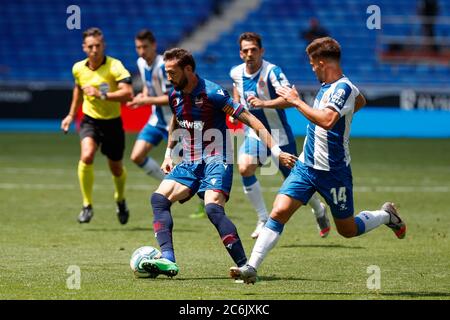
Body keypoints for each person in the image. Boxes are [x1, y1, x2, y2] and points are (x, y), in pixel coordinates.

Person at [230, 37, 406, 284]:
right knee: (279, 210)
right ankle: (251, 267)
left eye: (313, 64)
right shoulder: (328, 87)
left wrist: (296, 101)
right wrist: (343, 115)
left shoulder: (343, 88)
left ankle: (387, 215)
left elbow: (326, 120)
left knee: (347, 230)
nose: (312, 69)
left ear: (322, 63)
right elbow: (360, 101)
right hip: (306, 166)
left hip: (334, 172)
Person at [137, 48, 298, 278]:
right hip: (190, 161)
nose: (168, 78)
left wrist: (275, 150)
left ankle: (246, 267)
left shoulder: (213, 93)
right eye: (166, 73)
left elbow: (251, 119)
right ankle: (168, 259)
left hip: (216, 159)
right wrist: (168, 153)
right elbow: (175, 120)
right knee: (159, 199)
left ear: (188, 70)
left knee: (213, 209)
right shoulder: (174, 95)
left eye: (172, 73)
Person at [229, 32, 330, 239]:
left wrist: (264, 103)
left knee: (297, 182)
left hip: (279, 136)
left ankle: (318, 209)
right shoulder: (236, 72)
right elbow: (236, 89)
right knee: (245, 167)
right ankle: (263, 218)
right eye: (245, 50)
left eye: (253, 50)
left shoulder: (273, 72)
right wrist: (236, 110)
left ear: (261, 51)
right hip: (255, 134)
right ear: (240, 54)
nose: (249, 54)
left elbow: (291, 99)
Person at [127, 29, 206, 219]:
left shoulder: (164, 67)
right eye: (138, 47)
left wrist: (145, 101)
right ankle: (169, 182)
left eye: (145, 47)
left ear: (154, 45)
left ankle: (205, 202)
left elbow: (171, 98)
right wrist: (143, 96)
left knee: (192, 165)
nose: (141, 51)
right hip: (156, 120)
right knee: (136, 156)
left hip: (175, 121)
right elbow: (148, 87)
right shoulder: (140, 63)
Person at [61, 27, 133, 224]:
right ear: (84, 48)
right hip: (89, 120)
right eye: (90, 46)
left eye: (98, 45)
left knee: (116, 168)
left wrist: (102, 94)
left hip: (112, 123)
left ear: (103, 46)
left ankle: (120, 199)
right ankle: (87, 205)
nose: (95, 49)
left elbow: (128, 93)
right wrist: (70, 115)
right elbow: (78, 91)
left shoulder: (115, 66)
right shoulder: (78, 68)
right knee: (86, 155)